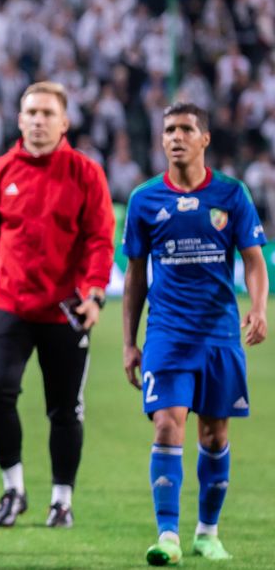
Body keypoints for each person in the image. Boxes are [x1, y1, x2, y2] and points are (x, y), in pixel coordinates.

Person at [122, 102, 268, 566]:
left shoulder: (231, 194)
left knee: (214, 435)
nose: (176, 137)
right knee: (168, 424)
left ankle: (208, 532)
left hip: (219, 336)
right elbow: (134, 277)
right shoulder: (144, 199)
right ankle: (168, 535)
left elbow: (254, 261)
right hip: (166, 334)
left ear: (205, 138)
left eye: (186, 128)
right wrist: (129, 341)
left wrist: (259, 308)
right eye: (169, 130)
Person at [0, 81, 114, 528]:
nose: (38, 120)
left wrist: (93, 294)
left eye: (47, 113)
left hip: (66, 308)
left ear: (64, 122)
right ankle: (13, 489)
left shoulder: (86, 173)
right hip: (10, 305)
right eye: (31, 112)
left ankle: (62, 499)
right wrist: (2, 282)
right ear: (19, 120)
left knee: (64, 409)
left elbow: (99, 238)